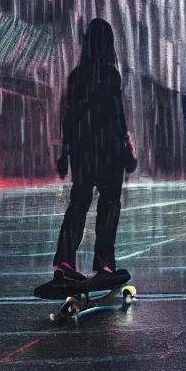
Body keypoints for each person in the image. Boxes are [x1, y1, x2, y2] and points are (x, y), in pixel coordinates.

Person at [52, 18, 137, 286]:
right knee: (109, 203)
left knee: (79, 201)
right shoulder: (110, 75)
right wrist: (125, 142)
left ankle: (64, 260)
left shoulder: (76, 77)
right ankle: (104, 264)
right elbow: (116, 115)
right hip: (108, 149)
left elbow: (69, 116)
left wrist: (64, 152)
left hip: (82, 150)